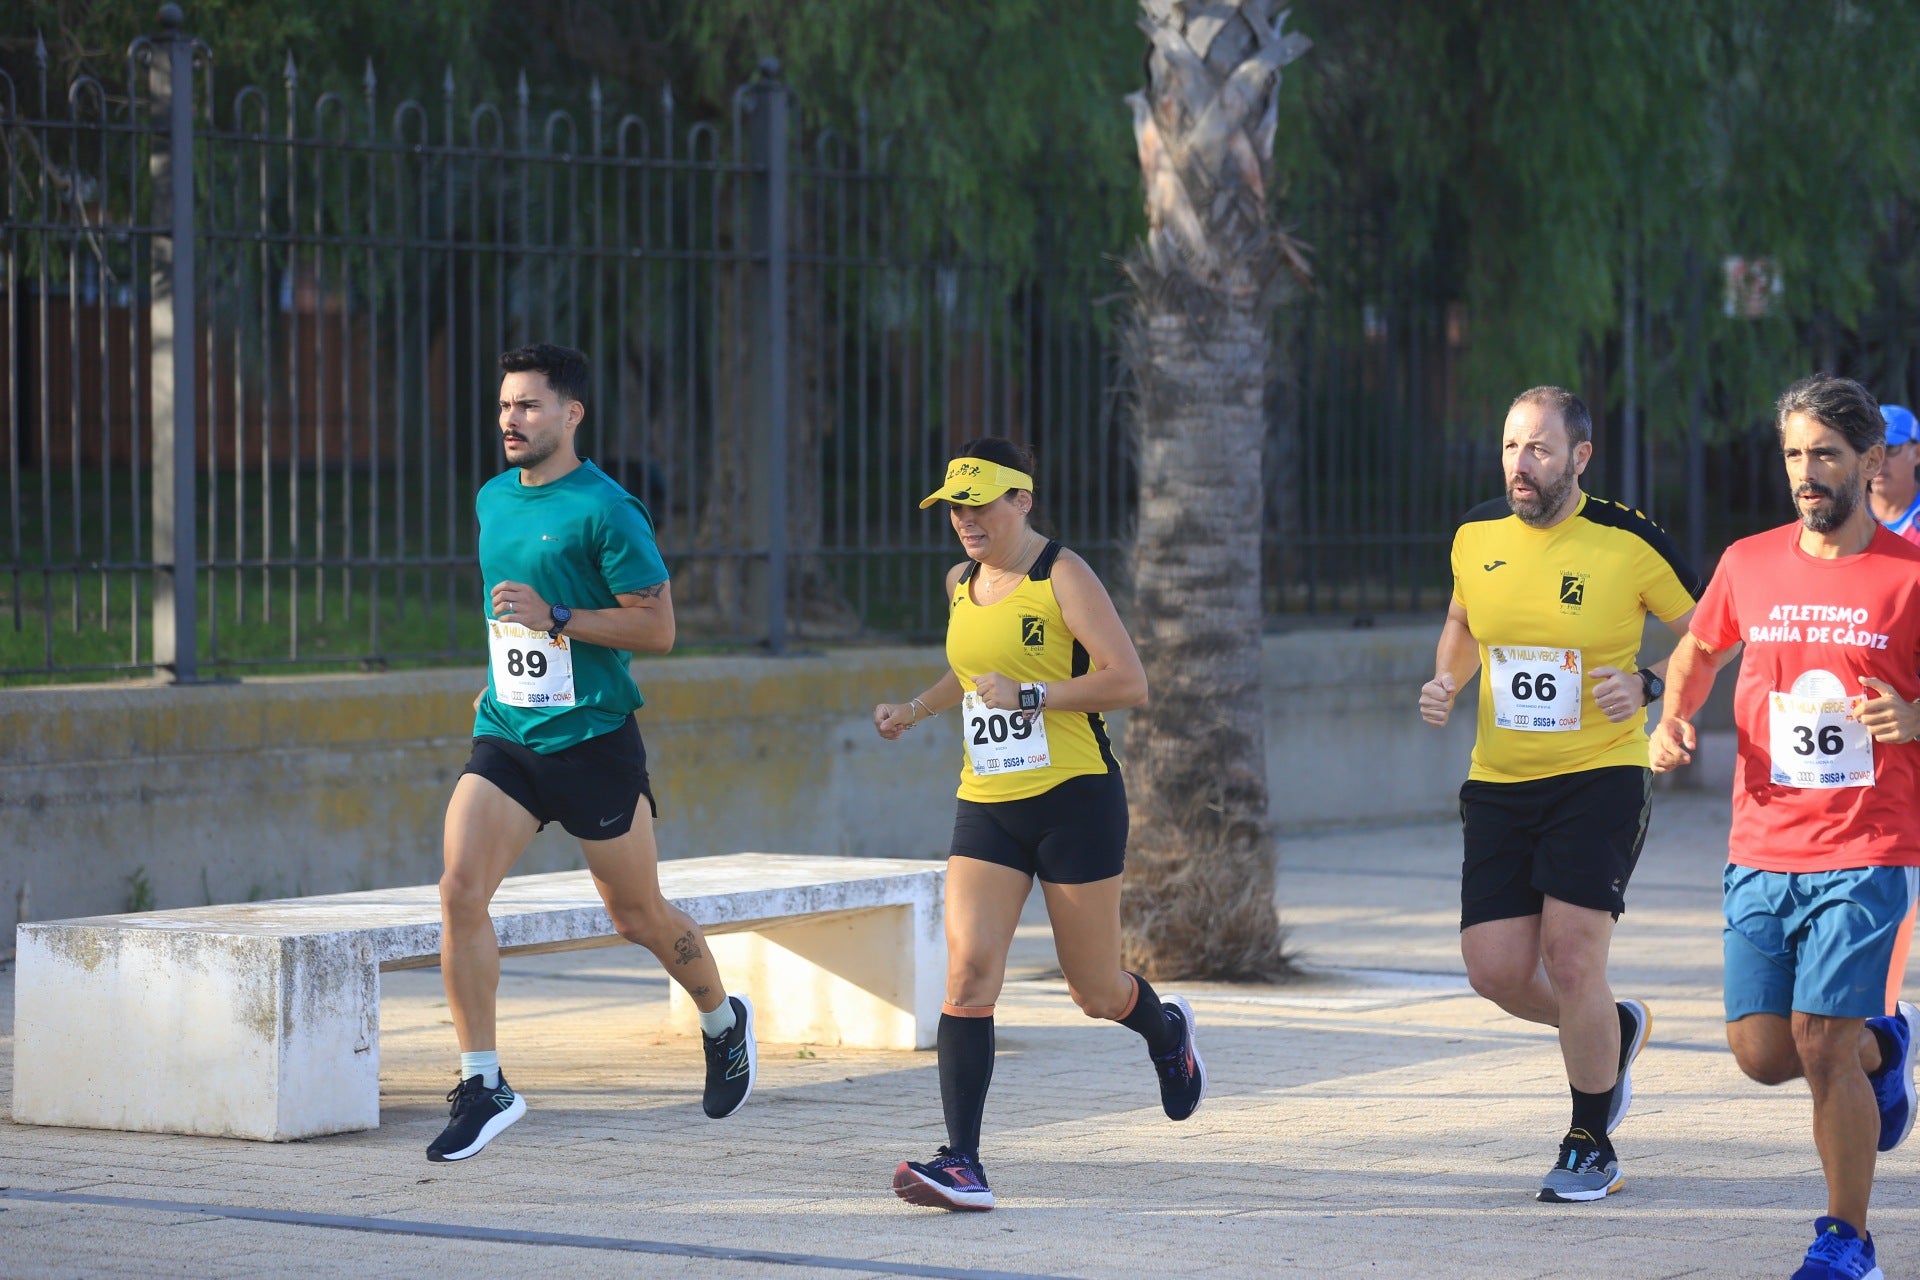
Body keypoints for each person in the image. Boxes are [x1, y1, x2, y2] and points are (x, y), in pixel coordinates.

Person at [427, 343, 756, 1162]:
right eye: (505, 404)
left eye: (529, 405)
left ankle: (721, 1017)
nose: (511, 419)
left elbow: (659, 628)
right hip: (509, 732)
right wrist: (500, 672)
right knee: (460, 888)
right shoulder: (492, 500)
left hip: (595, 741)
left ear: (571, 415)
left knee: (636, 914)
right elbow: (508, 613)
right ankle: (483, 1082)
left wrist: (559, 617)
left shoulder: (610, 510)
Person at [871, 438, 1204, 1212]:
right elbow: (971, 668)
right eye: (955, 505)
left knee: (1093, 989)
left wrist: (1031, 696)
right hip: (986, 802)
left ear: (1022, 499)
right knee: (969, 972)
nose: (966, 519)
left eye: (981, 503)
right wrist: (915, 710)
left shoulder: (1063, 575)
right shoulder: (960, 581)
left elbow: (1129, 681)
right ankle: (963, 1162)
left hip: (1075, 799)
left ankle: (1166, 1034)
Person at [1651, 373, 1920, 1280]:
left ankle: (1849, 1241)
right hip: (1763, 845)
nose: (1807, 474)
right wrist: (1675, 716)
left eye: (1826, 456)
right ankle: (1890, 1043)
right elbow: (1700, 648)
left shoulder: (1909, 576)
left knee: (1819, 1040)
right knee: (1764, 1053)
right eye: (1795, 455)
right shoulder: (1750, 561)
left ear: (1870, 461)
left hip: (1871, 847)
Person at [1418, 386, 1699, 1202]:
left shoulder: (1628, 540)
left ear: (1579, 458)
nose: (1520, 466)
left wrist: (1648, 684)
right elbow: (1464, 623)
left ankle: (1589, 1137)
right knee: (1496, 970)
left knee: (1572, 956)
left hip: (1600, 776)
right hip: (1500, 783)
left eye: (1538, 449)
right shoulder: (1475, 533)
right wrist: (1445, 679)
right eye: (1510, 447)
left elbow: (1717, 638)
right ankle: (1611, 1031)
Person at [1869, 404, 1920, 545]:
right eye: (1870, 450)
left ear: (1917, 453)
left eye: (1889, 448)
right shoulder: (1844, 516)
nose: (1878, 460)